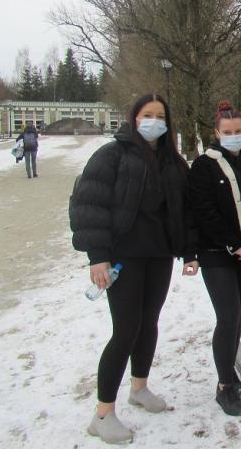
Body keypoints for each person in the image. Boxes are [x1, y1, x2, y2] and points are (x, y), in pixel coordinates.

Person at [70, 93, 196, 444]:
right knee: (125, 330)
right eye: (147, 114)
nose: (153, 121)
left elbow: (184, 212)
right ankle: (103, 413)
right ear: (134, 118)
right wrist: (97, 255)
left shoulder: (173, 162)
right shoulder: (112, 155)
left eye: (160, 115)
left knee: (149, 324)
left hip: (158, 257)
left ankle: (139, 387)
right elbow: (89, 203)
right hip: (123, 259)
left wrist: (188, 252)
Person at [186, 102, 241, 416]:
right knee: (228, 317)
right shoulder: (204, 166)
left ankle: (229, 373)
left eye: (238, 131)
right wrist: (236, 244)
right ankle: (224, 386)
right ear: (216, 133)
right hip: (218, 255)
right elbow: (205, 212)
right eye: (228, 132)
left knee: (237, 315)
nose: (234, 136)